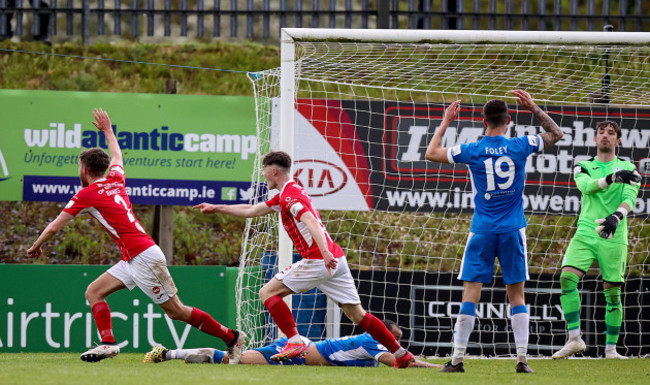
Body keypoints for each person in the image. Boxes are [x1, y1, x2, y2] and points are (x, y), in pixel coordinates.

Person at [27, 108, 245, 363]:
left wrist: (36, 246)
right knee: (94, 292)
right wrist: (108, 131)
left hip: (144, 257)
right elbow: (117, 155)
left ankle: (231, 337)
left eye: (79, 167)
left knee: (176, 311)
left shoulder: (86, 195)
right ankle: (108, 343)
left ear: (85, 170)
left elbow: (54, 226)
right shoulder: (116, 179)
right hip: (132, 257)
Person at [193, 151, 415, 368]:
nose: (262, 175)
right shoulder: (286, 194)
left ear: (273, 170)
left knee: (267, 292)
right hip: (336, 259)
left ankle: (295, 341)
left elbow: (310, 220)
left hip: (320, 259)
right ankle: (401, 354)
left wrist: (324, 252)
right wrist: (217, 208)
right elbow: (252, 210)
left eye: (263, 170)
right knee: (358, 314)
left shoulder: (290, 196)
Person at [425, 90, 564, 373]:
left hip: (483, 231)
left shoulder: (473, 150)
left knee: (470, 294)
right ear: (509, 119)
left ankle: (457, 359)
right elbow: (556, 133)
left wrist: (445, 121)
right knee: (517, 297)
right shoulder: (520, 145)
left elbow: (430, 153)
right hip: (513, 230)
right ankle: (523, 361)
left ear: (483, 120)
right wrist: (534, 107)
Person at [552, 121, 641, 360]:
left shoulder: (628, 167)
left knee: (612, 294)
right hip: (586, 232)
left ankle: (611, 350)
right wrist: (611, 178)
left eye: (611, 133)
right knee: (567, 277)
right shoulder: (584, 165)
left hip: (614, 233)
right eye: (601, 132)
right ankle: (574, 339)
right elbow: (586, 187)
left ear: (618, 141)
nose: (605, 136)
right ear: (594, 138)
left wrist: (616, 217)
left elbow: (630, 197)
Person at [143, 320, 439, 368]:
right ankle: (168, 353)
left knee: (235, 359)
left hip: (300, 348)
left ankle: (173, 353)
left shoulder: (369, 341)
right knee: (233, 360)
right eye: (394, 340)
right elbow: (402, 363)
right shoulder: (375, 344)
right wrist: (433, 365)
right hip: (298, 354)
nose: (394, 345)